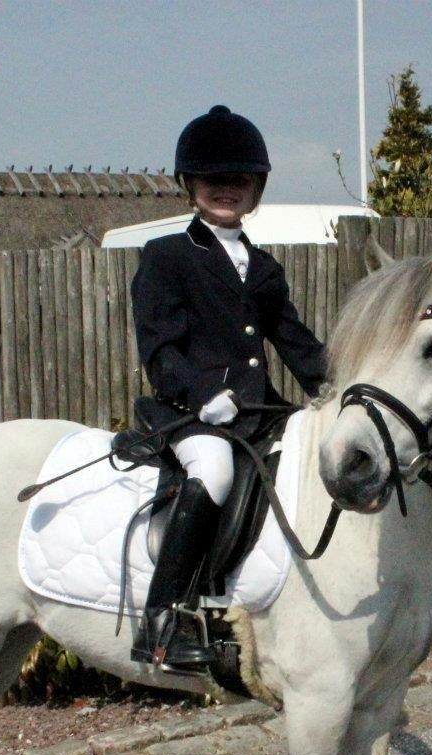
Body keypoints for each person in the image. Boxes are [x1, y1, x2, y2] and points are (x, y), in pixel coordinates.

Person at [130, 104, 327, 670]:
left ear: (256, 188)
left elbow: (293, 341)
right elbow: (159, 349)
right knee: (213, 470)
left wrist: (337, 385)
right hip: (191, 414)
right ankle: (161, 623)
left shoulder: (263, 267)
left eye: (238, 181)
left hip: (258, 409)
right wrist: (198, 395)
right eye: (214, 181)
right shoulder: (166, 256)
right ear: (190, 186)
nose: (226, 191)